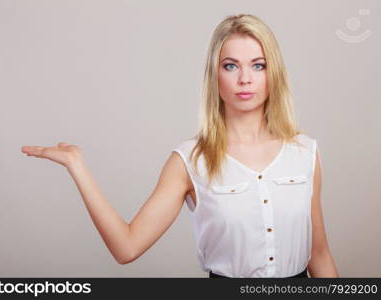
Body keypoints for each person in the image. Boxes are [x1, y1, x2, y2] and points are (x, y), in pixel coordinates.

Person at [20, 13, 339, 278]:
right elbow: (126, 247)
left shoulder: (304, 153)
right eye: (231, 66)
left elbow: (320, 256)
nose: (245, 78)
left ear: (274, 73)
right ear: (215, 76)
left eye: (258, 65)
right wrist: (77, 166)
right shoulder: (190, 161)